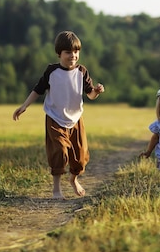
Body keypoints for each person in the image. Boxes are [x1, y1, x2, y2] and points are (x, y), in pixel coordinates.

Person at [13, 31, 105, 199]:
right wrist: (24, 105)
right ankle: (56, 189)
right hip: (55, 118)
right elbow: (37, 90)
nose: (73, 55)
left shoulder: (82, 72)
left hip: (76, 119)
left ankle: (73, 179)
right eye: (68, 52)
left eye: (76, 52)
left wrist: (97, 91)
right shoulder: (52, 71)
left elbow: (90, 94)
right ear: (59, 53)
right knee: (59, 152)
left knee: (81, 156)